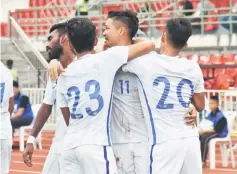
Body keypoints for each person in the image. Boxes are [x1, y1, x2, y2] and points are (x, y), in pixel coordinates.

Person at [55, 17, 155, 174]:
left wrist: (54, 62)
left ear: (70, 44)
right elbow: (149, 44)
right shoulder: (106, 59)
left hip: (69, 146)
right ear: (95, 41)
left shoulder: (63, 75)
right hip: (96, 145)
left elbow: (67, 118)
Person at [103, 10, 198, 174]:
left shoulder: (145, 61)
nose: (104, 33)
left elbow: (172, 90)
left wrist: (189, 107)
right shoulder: (103, 58)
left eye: (106, 28)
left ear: (121, 30)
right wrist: (54, 61)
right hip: (118, 140)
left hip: (147, 141)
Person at [22, 22, 75, 174]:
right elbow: (46, 107)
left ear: (63, 39)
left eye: (50, 39)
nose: (47, 44)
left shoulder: (84, 68)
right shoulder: (54, 72)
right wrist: (31, 139)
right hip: (58, 143)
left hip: (79, 144)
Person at [199, 95, 228, 167]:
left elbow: (216, 130)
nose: (211, 105)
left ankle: (203, 161)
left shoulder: (221, 116)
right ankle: (198, 159)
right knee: (199, 137)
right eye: (210, 103)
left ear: (217, 104)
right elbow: (206, 125)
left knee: (205, 138)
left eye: (213, 103)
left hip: (220, 133)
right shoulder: (210, 115)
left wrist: (204, 132)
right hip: (211, 132)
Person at [0, 61, 14, 174]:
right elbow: (11, 104)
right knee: (4, 167)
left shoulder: (6, 73)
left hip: (3, 121)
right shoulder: (7, 73)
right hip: (4, 122)